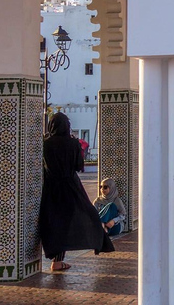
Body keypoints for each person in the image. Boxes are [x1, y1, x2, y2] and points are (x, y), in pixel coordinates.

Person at [39, 112, 114, 271]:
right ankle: (60, 260)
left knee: (54, 222)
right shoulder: (72, 143)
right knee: (76, 218)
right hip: (70, 187)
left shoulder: (46, 144)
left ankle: (55, 258)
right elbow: (79, 166)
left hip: (51, 188)